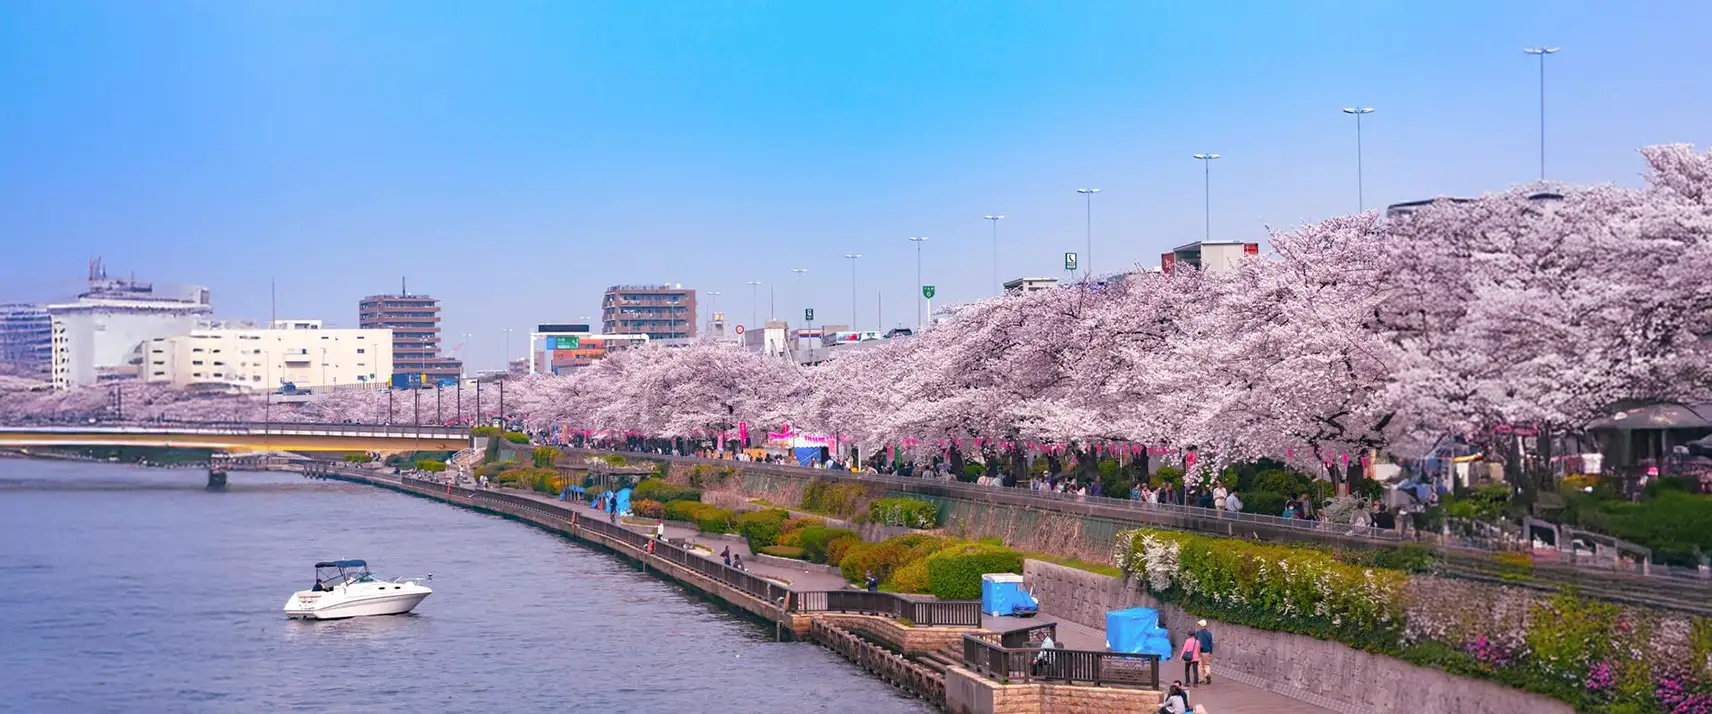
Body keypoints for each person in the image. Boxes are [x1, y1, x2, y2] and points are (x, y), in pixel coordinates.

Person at [1194, 619, 1215, 684]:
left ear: (1201, 626)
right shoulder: (1209, 634)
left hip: (1199, 651)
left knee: (1199, 665)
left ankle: (1201, 679)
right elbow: (1210, 643)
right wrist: (1211, 652)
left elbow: (1195, 642)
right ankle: (1207, 674)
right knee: (1206, 664)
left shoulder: (1197, 633)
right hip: (1207, 651)